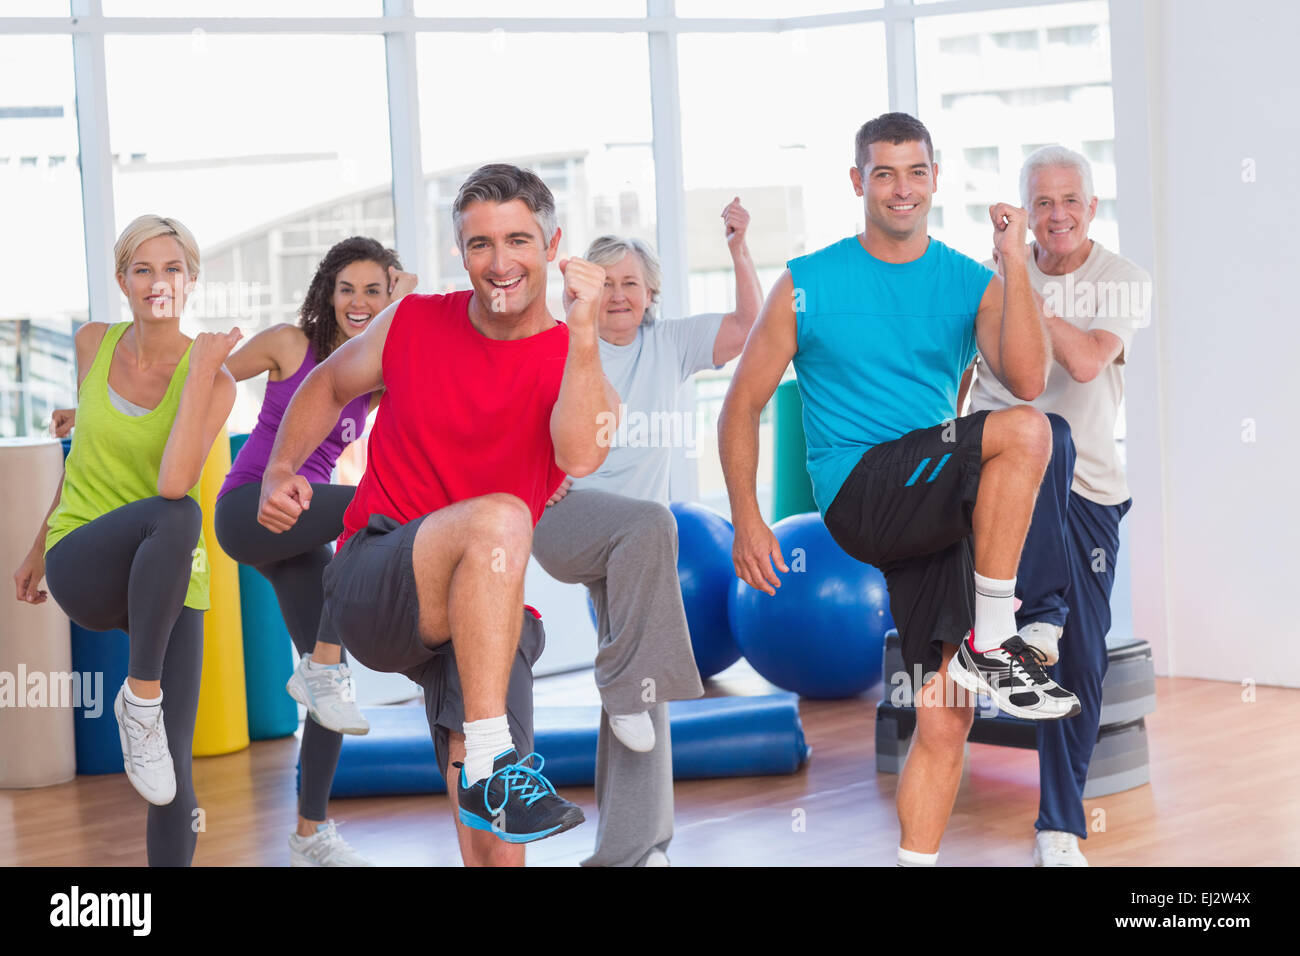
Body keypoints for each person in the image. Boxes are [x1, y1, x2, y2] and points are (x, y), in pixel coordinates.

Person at [718, 112, 1081, 868]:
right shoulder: (808, 282)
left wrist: (1014, 264)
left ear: (935, 178)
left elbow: (1027, 376)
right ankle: (995, 637)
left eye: (915, 172)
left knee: (945, 712)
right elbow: (741, 404)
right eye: (884, 173)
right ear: (859, 183)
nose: (901, 188)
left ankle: (914, 859)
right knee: (1027, 433)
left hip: (933, 504)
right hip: (862, 491)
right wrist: (747, 520)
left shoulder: (964, 279)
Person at [257, 163, 617, 865]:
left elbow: (581, 454)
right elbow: (328, 384)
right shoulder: (417, 321)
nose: (499, 262)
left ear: (554, 244)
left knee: (498, 839)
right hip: (376, 575)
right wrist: (282, 467)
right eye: (480, 244)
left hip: (485, 606)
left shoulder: (577, 360)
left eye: (518, 240)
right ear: (462, 252)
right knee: (504, 518)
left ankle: (484, 763)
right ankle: (490, 759)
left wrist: (582, 332)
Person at [531, 198, 762, 866]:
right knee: (639, 668)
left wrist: (739, 249)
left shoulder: (670, 344)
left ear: (651, 292)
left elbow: (748, 326)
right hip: (567, 522)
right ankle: (626, 702)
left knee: (642, 688)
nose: (620, 294)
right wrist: (545, 469)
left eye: (631, 282)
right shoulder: (566, 344)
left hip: (635, 550)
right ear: (586, 292)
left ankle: (636, 850)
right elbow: (518, 418)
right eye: (606, 283)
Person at [12, 214, 238, 866]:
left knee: (172, 777)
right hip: (85, 555)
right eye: (143, 268)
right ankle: (140, 700)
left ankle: (144, 711)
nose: (157, 281)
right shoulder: (93, 344)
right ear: (122, 279)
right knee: (176, 518)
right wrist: (35, 549)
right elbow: (83, 459)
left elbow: (174, 480)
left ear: (191, 281)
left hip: (170, 576)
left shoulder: (215, 383)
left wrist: (198, 373)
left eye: (172, 268)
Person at [960, 145, 1149, 867]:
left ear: (1093, 208)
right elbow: (963, 371)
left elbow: (1087, 361)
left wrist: (1023, 292)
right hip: (1004, 475)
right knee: (1041, 436)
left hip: (1089, 494)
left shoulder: (1122, 280)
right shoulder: (989, 280)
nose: (1057, 214)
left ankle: (1059, 827)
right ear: (1026, 213)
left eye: (1070, 200)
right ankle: (1030, 621)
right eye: (1042, 203)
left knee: (1083, 659)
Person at [213, 236, 417, 866]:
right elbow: (201, 379)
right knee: (374, 508)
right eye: (346, 288)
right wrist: (89, 410)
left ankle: (310, 836)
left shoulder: (374, 373)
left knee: (333, 691)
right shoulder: (288, 344)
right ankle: (320, 664)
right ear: (327, 293)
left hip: (299, 536)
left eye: (373, 291)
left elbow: (421, 327)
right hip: (249, 508)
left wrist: (402, 291)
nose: (358, 302)